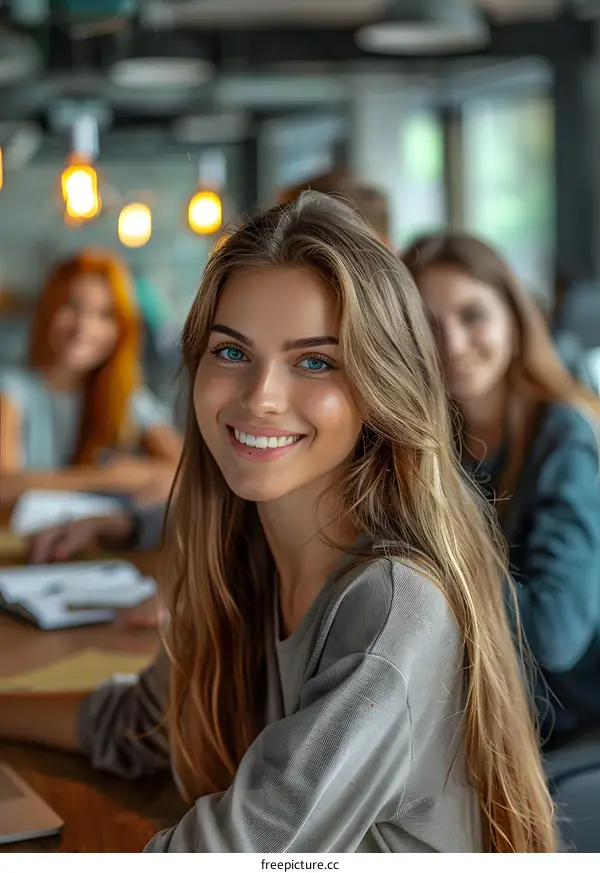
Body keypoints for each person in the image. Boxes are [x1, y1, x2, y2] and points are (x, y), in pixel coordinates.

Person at [2, 195, 556, 852]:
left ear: (382, 386)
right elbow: (140, 726)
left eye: (316, 360)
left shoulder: (389, 608)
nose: (260, 395)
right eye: (231, 351)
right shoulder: (242, 552)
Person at [403, 231, 600, 749]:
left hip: (566, 734)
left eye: (473, 316)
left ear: (513, 316)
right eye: (428, 325)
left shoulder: (563, 435)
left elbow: (557, 638)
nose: (453, 345)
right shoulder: (431, 441)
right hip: (477, 726)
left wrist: (443, 552)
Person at [0, 249, 183, 505]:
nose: (83, 328)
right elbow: (5, 485)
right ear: (47, 309)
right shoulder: (11, 389)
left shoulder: (127, 396)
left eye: (105, 315)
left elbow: (183, 470)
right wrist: (107, 477)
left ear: (121, 329)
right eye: (71, 306)